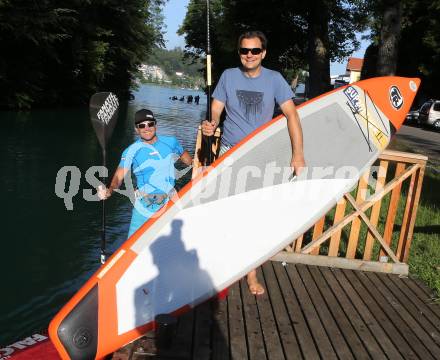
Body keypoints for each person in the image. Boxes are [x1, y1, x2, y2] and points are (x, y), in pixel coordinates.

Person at [201, 30, 306, 296]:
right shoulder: (227, 76)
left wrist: (298, 155)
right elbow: (216, 108)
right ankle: (219, 269)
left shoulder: (275, 80)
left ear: (263, 53)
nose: (249, 55)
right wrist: (211, 122)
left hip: (260, 156)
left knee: (254, 216)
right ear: (239, 53)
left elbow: (292, 116)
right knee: (224, 213)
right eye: (244, 51)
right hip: (228, 151)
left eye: (254, 51)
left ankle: (251, 274)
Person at [98, 109, 193, 237]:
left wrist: (198, 165)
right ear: (137, 129)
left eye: (150, 124)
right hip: (143, 206)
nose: (147, 128)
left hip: (169, 202)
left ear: (155, 125)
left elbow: (188, 160)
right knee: (133, 246)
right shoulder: (130, 151)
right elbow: (118, 177)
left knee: (168, 247)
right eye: (142, 125)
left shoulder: (171, 142)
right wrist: (109, 191)